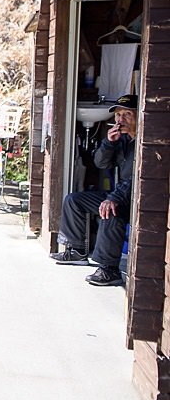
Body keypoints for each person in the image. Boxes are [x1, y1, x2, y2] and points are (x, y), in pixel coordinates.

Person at [50, 94, 137, 286]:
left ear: (140, 116)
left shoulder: (144, 143)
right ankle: (77, 250)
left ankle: (109, 269)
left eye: (127, 115)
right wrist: (109, 143)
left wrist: (113, 197)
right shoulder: (122, 139)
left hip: (137, 200)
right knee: (74, 200)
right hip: (121, 195)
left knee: (110, 211)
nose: (120, 120)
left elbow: (135, 179)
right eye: (118, 115)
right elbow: (100, 163)